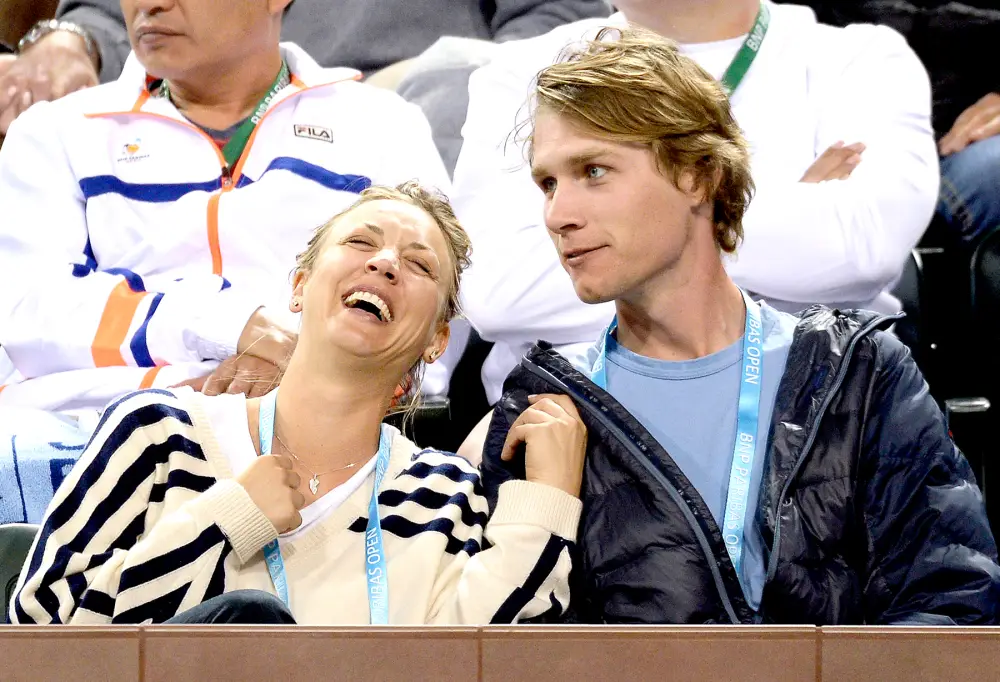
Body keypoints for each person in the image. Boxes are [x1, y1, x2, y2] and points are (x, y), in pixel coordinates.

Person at [471, 28, 1000, 624]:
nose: (559, 215)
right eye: (548, 184)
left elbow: (953, 606)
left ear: (697, 176)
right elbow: (517, 638)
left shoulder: (861, 371)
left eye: (593, 171)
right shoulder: (544, 406)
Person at [11, 182, 588, 625]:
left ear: (438, 338)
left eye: (418, 266)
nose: (384, 263)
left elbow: (492, 655)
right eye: (360, 242)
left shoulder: (442, 493)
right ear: (299, 286)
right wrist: (224, 519)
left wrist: (546, 503)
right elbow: (42, 626)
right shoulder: (158, 434)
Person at [0, 0, 451, 524]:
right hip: (87, 448)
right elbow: (25, 324)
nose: (149, 5)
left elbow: (429, 338)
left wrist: (295, 392)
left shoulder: (380, 122)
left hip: (323, 458)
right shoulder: (56, 131)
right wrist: (226, 331)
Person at [452, 0, 940, 405]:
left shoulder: (862, 57)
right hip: (570, 420)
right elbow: (500, 293)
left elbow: (860, 247)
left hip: (821, 412)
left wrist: (635, 240)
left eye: (594, 171)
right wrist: (789, 212)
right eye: (559, 183)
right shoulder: (524, 71)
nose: (562, 214)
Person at [0, 0, 611, 136]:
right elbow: (114, 13)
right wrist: (70, 42)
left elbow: (557, 29)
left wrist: (405, 87)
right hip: (186, 97)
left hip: (417, 104)